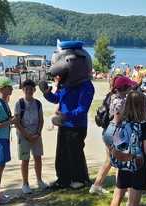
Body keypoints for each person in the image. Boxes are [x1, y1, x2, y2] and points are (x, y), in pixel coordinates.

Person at [40, 40, 94, 190]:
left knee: (75, 152)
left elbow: (82, 109)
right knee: (62, 153)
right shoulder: (66, 84)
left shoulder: (86, 86)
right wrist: (46, 93)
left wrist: (64, 116)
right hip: (64, 124)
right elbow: (57, 98)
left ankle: (80, 178)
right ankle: (63, 179)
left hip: (77, 126)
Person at [105, 91, 146, 206]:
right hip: (139, 165)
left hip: (124, 164)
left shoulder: (121, 122)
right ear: (142, 106)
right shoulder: (144, 125)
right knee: (133, 202)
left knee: (117, 195)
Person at [89, 76, 136, 194]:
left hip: (108, 131)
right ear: (125, 88)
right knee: (120, 161)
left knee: (110, 160)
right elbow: (118, 120)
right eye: (129, 86)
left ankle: (96, 186)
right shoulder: (119, 101)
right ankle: (121, 189)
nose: (131, 88)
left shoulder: (111, 96)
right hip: (115, 133)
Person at [14, 79, 48, 194]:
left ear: (34, 90)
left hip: (36, 135)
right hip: (24, 135)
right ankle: (25, 183)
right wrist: (26, 135)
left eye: (31, 89)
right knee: (25, 160)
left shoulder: (38, 103)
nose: (29, 91)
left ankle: (39, 180)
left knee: (38, 158)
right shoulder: (19, 103)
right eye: (26, 89)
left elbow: (41, 120)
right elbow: (17, 122)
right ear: (23, 90)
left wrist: (38, 133)